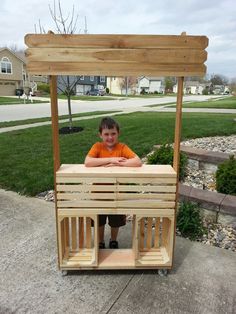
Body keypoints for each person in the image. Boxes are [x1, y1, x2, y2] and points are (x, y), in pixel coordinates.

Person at [84, 117, 142, 249]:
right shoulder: (97, 147)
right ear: (100, 135)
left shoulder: (122, 147)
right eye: (106, 134)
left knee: (115, 221)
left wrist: (118, 164)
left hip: (116, 194)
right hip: (98, 194)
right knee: (99, 221)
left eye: (113, 133)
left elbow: (137, 161)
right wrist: (111, 159)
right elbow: (88, 162)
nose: (110, 137)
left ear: (118, 133)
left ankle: (113, 240)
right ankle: (100, 241)